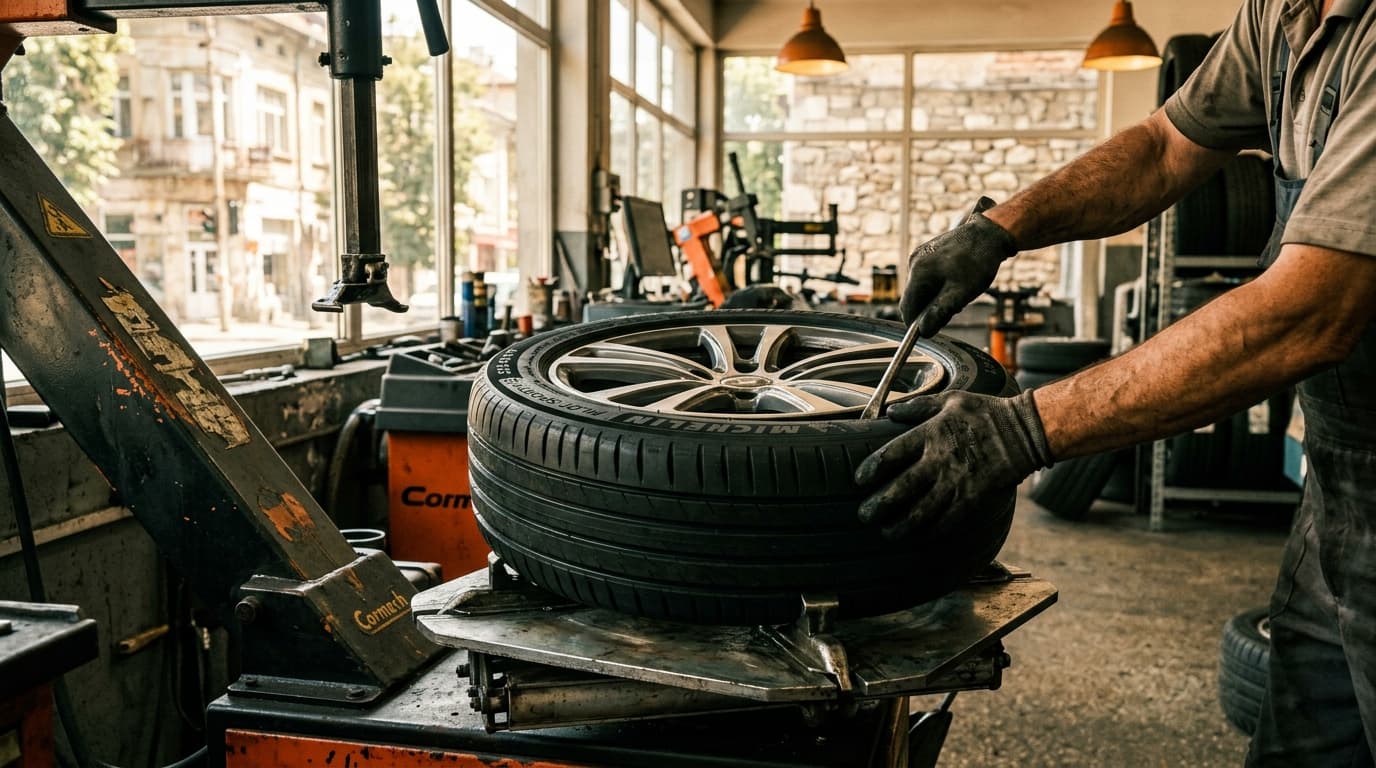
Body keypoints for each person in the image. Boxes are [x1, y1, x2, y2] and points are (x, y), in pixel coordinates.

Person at [855, 0, 1376, 764]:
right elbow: (1167, 145)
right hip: (1340, 476)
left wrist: (1023, 429)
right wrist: (1001, 228)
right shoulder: (1282, 14)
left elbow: (1310, 310)